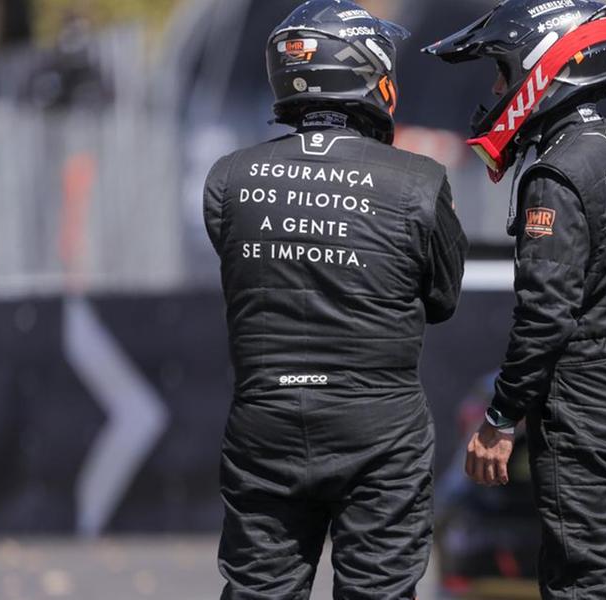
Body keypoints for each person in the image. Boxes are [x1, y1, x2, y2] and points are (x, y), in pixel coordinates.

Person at [203, 1, 467, 598]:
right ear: (370, 74)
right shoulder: (419, 181)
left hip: (264, 419)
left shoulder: (227, 177)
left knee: (257, 590)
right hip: (379, 429)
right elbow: (443, 298)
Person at [425, 1, 606, 598]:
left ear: (544, 68)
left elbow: (544, 316)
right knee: (591, 563)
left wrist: (498, 419)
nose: (495, 90)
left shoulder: (555, 173)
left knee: (580, 579)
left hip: (583, 397)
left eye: (502, 73)